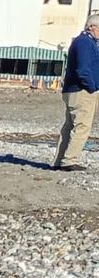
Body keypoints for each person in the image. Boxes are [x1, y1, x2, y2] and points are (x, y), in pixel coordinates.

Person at [53, 14, 99, 172]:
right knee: (82, 126)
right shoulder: (85, 43)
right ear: (91, 27)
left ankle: (60, 161)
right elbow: (83, 70)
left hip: (75, 89)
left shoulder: (83, 42)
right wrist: (92, 87)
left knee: (70, 125)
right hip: (82, 91)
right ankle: (69, 160)